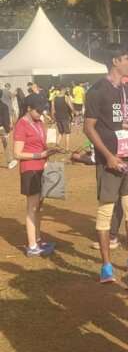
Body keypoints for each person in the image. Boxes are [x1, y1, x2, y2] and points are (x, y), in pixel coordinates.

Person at [84, 44, 128, 283]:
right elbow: (88, 127)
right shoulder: (97, 90)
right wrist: (108, 156)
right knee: (106, 211)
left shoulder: (127, 91)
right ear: (116, 60)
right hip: (109, 161)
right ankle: (107, 265)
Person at [13, 93, 56, 257]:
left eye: (42, 110)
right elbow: (17, 153)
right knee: (32, 207)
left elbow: (41, 144)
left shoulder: (38, 122)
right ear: (29, 108)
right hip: (30, 169)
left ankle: (37, 239)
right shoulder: (21, 125)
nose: (41, 113)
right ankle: (32, 246)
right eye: (38, 110)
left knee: (39, 206)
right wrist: (40, 155)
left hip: (41, 167)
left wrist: (49, 151)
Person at [51, 84, 74, 152]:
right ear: (63, 89)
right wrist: (74, 112)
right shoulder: (65, 97)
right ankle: (67, 148)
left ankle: (57, 145)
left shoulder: (54, 98)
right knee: (67, 133)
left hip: (58, 117)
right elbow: (71, 107)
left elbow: (52, 109)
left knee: (61, 132)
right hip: (65, 117)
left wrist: (53, 117)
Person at [0, 90, 17, 168]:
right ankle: (9, 161)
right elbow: (5, 120)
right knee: (6, 145)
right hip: (2, 128)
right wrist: (7, 130)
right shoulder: (4, 106)